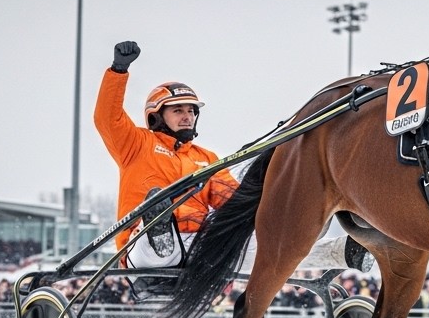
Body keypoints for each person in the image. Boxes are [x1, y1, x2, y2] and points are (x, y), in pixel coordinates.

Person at [95, 41, 366, 272]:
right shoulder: (136, 144)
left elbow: (232, 202)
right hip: (142, 247)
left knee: (267, 246)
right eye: (178, 110)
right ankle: (160, 231)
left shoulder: (206, 159)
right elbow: (107, 119)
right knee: (157, 208)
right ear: (156, 116)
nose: (187, 116)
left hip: (199, 246)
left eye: (191, 111)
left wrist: (276, 196)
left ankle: (341, 252)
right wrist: (118, 71)